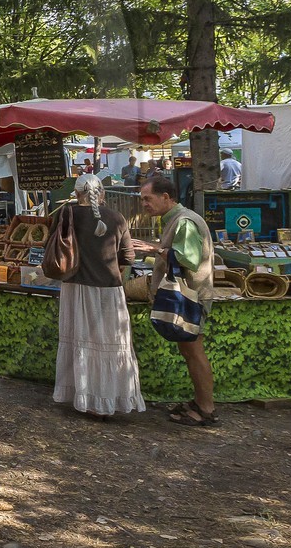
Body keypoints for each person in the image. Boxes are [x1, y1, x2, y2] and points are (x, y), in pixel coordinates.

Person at [53, 174, 145, 418]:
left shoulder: (65, 215)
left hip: (76, 288)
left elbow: (51, 247)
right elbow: (128, 258)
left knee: (80, 341)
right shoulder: (117, 218)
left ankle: (82, 397)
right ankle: (108, 400)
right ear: (102, 193)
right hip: (109, 291)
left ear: (76, 194)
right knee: (109, 345)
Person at [133, 172, 218, 426]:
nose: (144, 204)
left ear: (166, 197)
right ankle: (201, 403)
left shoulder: (184, 221)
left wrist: (154, 249)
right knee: (189, 350)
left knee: (194, 352)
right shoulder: (175, 219)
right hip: (189, 295)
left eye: (148, 199)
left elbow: (188, 259)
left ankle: (206, 409)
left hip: (191, 296)